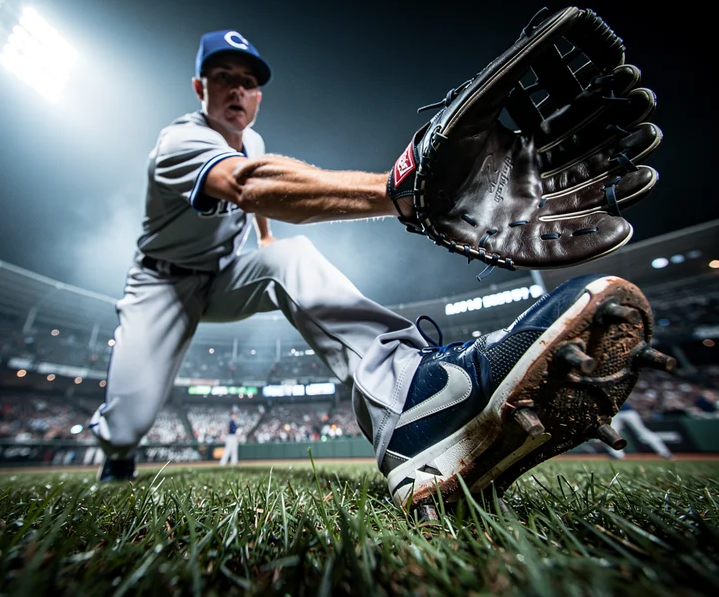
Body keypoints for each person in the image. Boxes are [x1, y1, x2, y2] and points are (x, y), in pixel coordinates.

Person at [89, 28, 665, 508]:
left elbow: (258, 210)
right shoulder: (179, 141)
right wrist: (399, 190)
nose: (239, 89)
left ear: (259, 96)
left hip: (224, 273)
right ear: (200, 87)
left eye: (250, 81)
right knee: (127, 424)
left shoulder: (253, 137)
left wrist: (264, 247)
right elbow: (247, 185)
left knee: (288, 256)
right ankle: (116, 455)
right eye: (225, 78)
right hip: (160, 285)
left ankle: (413, 398)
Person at [605, 401, 674, 460]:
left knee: (643, 433)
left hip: (625, 411)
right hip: (618, 413)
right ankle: (617, 455)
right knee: (610, 434)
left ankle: (665, 453)